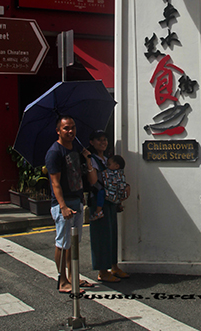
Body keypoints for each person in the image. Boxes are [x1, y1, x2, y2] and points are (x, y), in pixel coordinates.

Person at [45, 115, 97, 293]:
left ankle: (74, 276)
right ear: (58, 130)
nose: (70, 131)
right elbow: (55, 183)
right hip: (64, 203)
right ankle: (62, 281)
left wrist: (87, 156)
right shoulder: (54, 152)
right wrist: (63, 207)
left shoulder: (76, 146)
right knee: (63, 243)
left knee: (73, 243)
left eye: (72, 127)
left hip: (77, 200)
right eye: (66, 128)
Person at [87, 130, 130, 283]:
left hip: (111, 200)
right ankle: (102, 271)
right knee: (101, 236)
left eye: (104, 140)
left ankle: (114, 266)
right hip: (99, 201)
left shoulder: (107, 159)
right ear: (91, 142)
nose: (103, 142)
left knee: (112, 234)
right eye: (99, 140)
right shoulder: (91, 160)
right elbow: (92, 182)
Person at [91, 154, 128, 221]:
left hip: (111, 193)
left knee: (101, 193)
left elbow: (104, 178)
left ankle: (98, 211)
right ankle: (119, 204)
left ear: (116, 166)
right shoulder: (121, 174)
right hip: (118, 195)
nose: (107, 166)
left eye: (109, 164)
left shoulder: (110, 173)